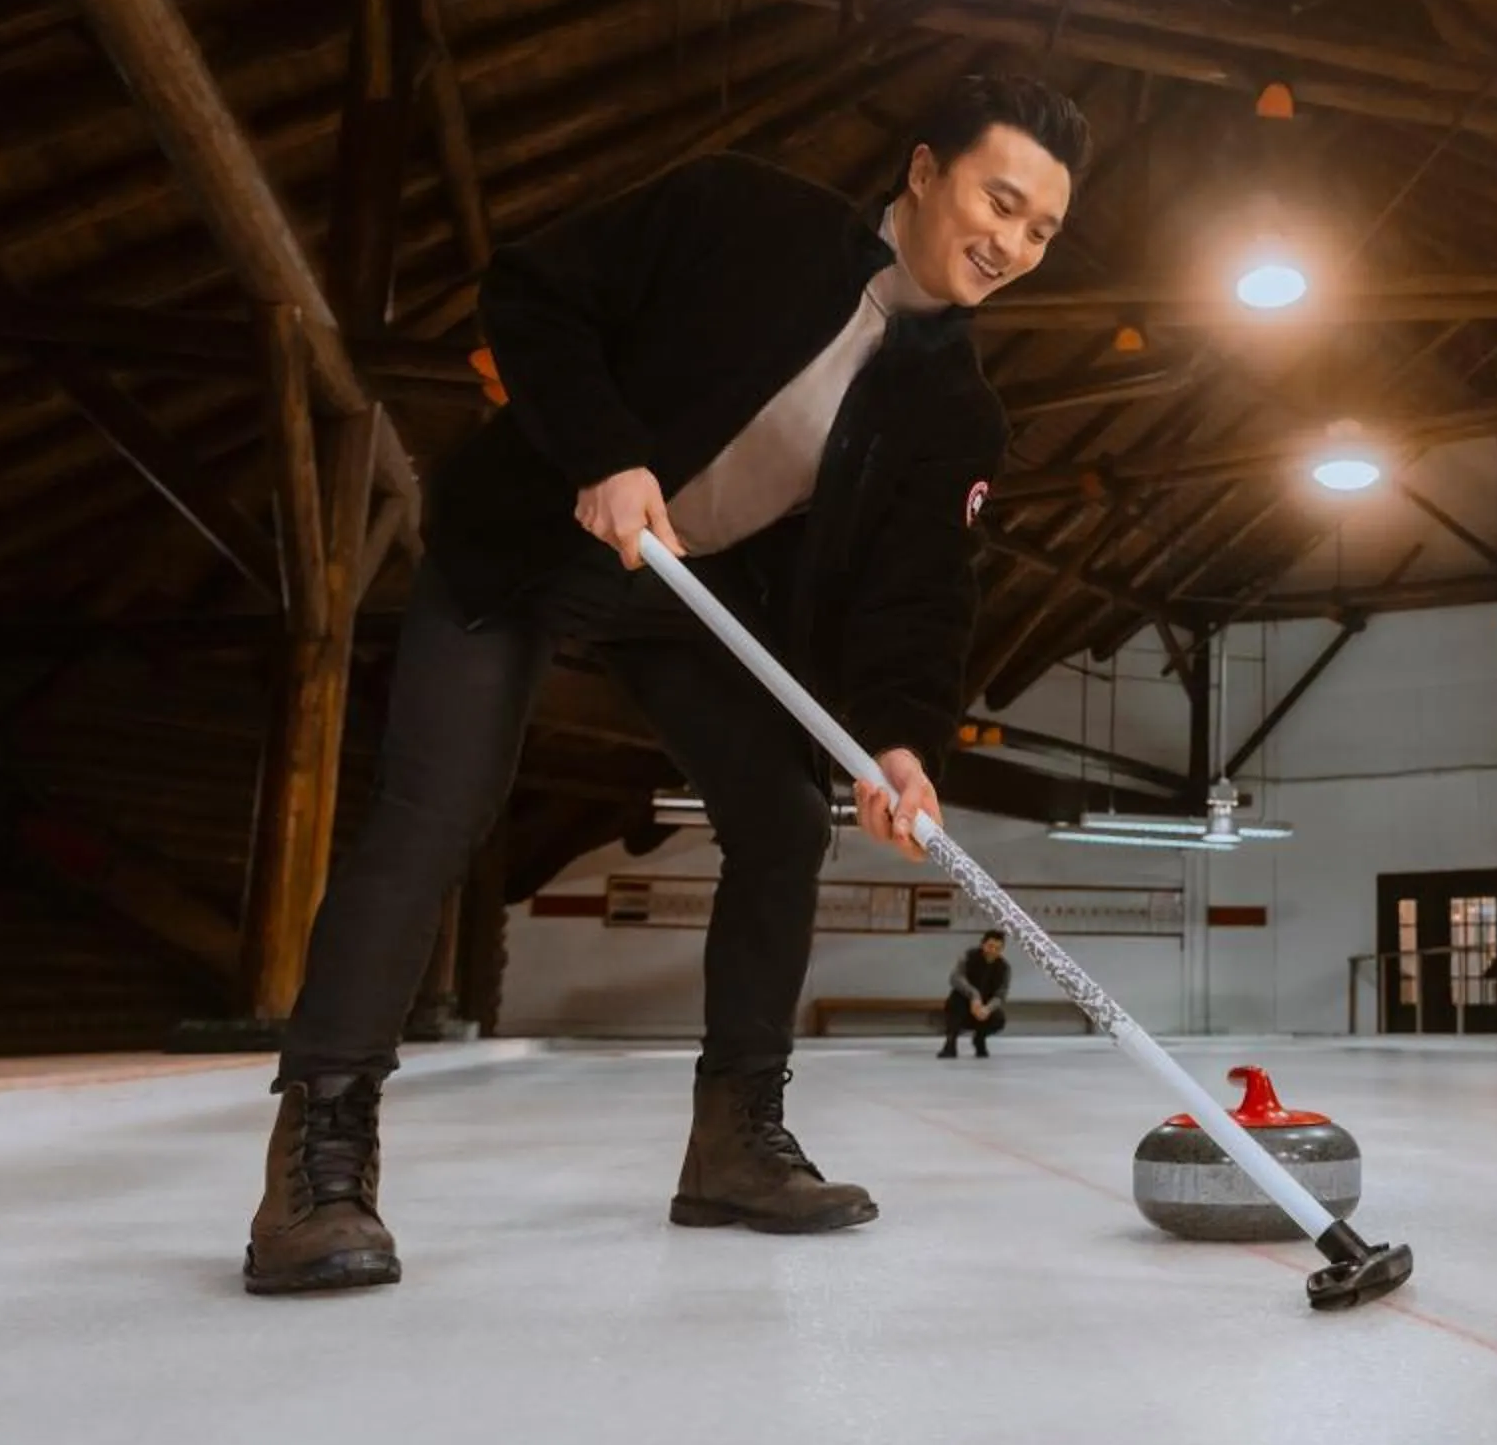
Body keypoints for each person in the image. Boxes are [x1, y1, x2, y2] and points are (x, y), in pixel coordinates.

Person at [242, 75, 1092, 1295]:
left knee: (785, 819)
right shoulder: (741, 214)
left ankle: (733, 1139)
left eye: (1041, 232)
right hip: (532, 539)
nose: (1011, 245)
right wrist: (603, 453)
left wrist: (901, 744)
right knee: (438, 813)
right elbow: (534, 294)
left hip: (686, 590)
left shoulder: (954, 408)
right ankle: (318, 1157)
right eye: (998, 201)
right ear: (922, 171)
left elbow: (919, 595)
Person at [936, 930, 1011, 1058]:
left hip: (984, 1006)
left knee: (998, 1019)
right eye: (990, 946)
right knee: (955, 1003)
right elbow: (955, 978)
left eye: (997, 948)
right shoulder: (969, 956)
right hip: (964, 1001)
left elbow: (1001, 995)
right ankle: (950, 1043)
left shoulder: (1004, 967)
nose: (993, 951)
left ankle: (979, 1039)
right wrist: (974, 995)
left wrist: (987, 1009)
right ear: (983, 944)